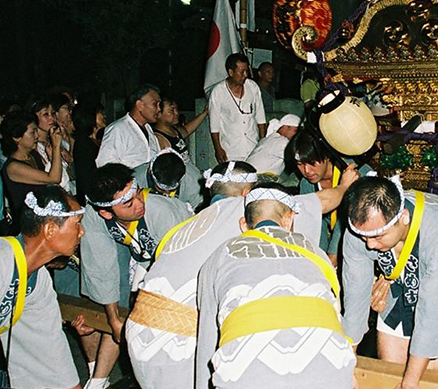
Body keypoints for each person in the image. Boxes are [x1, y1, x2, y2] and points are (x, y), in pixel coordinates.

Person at [127, 165, 358, 389]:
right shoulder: (249, 208)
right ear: (248, 193)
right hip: (177, 342)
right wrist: (345, 185)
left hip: (140, 331)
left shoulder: (195, 218)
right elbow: (323, 202)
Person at [195, 184, 357, 389]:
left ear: (244, 225)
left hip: (249, 377)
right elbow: (335, 315)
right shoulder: (315, 251)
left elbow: (207, 341)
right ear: (289, 220)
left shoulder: (219, 255)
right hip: (328, 373)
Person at [341, 176, 438, 388]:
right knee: (390, 375)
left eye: (379, 236)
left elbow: (434, 314)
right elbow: (355, 298)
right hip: (398, 293)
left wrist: (410, 382)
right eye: (365, 238)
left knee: (423, 382)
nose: (370, 245)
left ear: (403, 217)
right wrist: (347, 364)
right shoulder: (361, 229)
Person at [79, 163, 192, 389]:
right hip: (140, 257)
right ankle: (98, 380)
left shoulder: (162, 212)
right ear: (105, 212)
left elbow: (181, 270)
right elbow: (102, 270)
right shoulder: (94, 217)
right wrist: (113, 317)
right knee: (116, 314)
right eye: (128, 204)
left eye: (138, 193)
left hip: (182, 258)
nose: (140, 204)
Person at [0, 186, 88, 389]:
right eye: (77, 224)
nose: (82, 232)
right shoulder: (3, 260)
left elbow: (47, 347)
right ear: (50, 230)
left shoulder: (38, 281)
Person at [288, 128, 373, 267]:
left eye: (312, 162)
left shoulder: (353, 173)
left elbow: (347, 220)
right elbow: (315, 223)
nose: (307, 171)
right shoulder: (307, 184)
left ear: (327, 156)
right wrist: (319, 257)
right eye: (300, 164)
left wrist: (332, 255)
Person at [1, 112, 64, 233]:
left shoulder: (33, 155)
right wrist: (56, 147)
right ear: (17, 137)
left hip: (43, 220)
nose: (36, 136)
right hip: (28, 227)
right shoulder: (13, 167)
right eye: (32, 132)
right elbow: (54, 178)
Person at [209, 53, 267, 163]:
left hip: (252, 147)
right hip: (231, 150)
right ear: (231, 72)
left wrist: (262, 143)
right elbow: (214, 125)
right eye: (241, 72)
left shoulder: (253, 87)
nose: (245, 75)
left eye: (246, 71)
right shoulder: (218, 92)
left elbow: (260, 117)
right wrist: (218, 149)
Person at [96, 84, 161, 168]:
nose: (159, 109)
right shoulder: (118, 130)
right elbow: (105, 165)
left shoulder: (148, 129)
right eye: (155, 104)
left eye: (160, 104)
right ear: (140, 105)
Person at [29, 97, 74, 193]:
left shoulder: (56, 140)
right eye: (46, 114)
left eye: (53, 113)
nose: (52, 118)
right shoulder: (34, 147)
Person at [72, 100, 107, 207]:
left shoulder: (99, 140)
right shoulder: (83, 144)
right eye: (100, 113)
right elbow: (85, 177)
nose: (104, 116)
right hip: (92, 200)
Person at [152, 94, 208, 160]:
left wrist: (204, 112)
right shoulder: (159, 138)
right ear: (158, 114)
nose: (176, 113)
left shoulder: (174, 130)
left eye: (176, 109)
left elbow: (187, 130)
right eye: (171, 110)